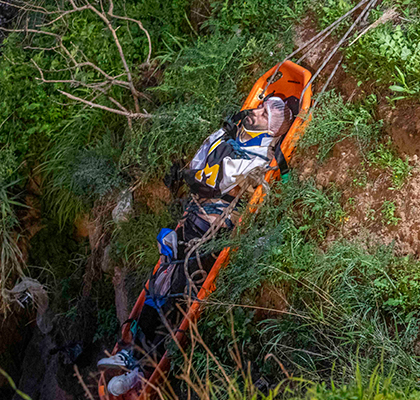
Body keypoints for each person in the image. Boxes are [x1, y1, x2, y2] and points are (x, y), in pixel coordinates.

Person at [97, 96, 294, 396]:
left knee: (180, 287)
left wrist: (222, 147)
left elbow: (214, 179)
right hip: (193, 217)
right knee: (162, 283)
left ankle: (142, 369)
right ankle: (132, 353)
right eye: (259, 106)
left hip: (213, 230)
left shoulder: (260, 153)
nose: (255, 111)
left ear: (273, 127)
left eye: (264, 113)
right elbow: (198, 167)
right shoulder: (235, 133)